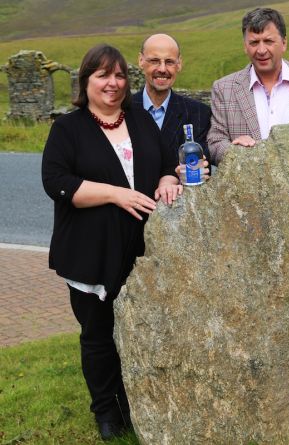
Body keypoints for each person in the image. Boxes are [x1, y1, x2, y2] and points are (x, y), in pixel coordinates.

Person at [42, 44, 182, 440]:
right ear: (86, 80)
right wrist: (115, 193)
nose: (113, 83)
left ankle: (139, 401)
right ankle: (106, 411)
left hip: (140, 252)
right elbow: (57, 183)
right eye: (103, 75)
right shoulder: (68, 129)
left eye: (120, 75)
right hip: (91, 252)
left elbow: (166, 162)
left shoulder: (139, 120)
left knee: (143, 329)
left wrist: (168, 180)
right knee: (99, 336)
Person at [207, 7, 289, 165]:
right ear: (245, 46)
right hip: (250, 188)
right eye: (254, 42)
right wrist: (233, 149)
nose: (261, 50)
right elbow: (215, 143)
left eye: (268, 41)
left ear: (284, 43)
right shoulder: (224, 88)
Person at [133, 33, 212, 165]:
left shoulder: (199, 113)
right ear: (141, 61)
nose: (162, 69)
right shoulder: (123, 110)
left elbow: (201, 166)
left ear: (179, 64)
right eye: (154, 61)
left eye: (169, 62)